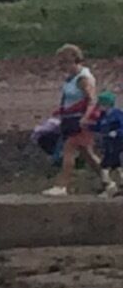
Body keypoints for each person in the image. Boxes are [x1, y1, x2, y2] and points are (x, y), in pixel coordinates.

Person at [46, 44, 98, 196]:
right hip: (70, 119)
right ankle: (108, 181)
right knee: (87, 154)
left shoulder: (83, 79)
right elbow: (68, 99)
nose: (60, 66)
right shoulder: (71, 78)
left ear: (73, 60)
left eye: (63, 62)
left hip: (80, 121)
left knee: (68, 150)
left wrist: (86, 117)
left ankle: (62, 186)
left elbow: (92, 100)